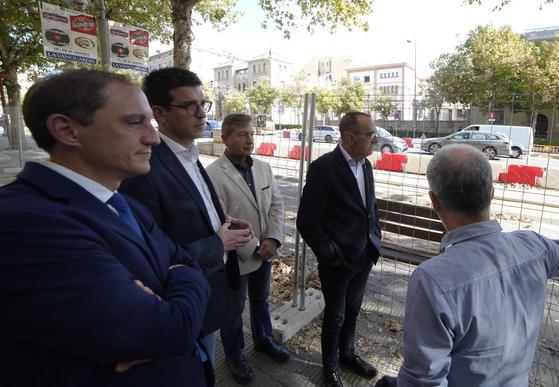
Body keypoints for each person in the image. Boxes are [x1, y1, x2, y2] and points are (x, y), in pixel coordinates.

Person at [0, 69, 211, 386]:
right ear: (67, 130)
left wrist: (178, 271)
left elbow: (187, 261)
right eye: (133, 122)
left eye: (150, 123)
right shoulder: (25, 221)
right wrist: (180, 276)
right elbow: (170, 331)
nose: (152, 137)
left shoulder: (123, 203)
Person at [387, 144, 559, 386]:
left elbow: (422, 380)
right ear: (491, 193)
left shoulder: (432, 280)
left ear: (435, 201)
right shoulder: (533, 247)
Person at [119, 68, 252, 372]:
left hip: (212, 293)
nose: (201, 112)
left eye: (203, 104)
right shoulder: (145, 169)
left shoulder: (189, 154)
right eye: (189, 105)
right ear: (160, 113)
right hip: (186, 304)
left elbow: (192, 211)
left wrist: (223, 220)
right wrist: (218, 242)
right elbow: (150, 256)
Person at [297, 111, 382, 387]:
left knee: (353, 310)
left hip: (363, 255)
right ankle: (329, 367)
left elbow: (370, 207)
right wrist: (329, 253)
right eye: (370, 135)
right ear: (350, 137)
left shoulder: (366, 165)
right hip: (337, 262)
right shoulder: (325, 168)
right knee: (335, 316)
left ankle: (348, 354)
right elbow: (307, 221)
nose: (375, 140)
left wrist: (375, 237)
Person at [206, 113, 289, 384]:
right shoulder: (213, 176)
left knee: (261, 301)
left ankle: (263, 340)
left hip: (265, 251)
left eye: (252, 134)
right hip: (237, 257)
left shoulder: (263, 168)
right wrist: (255, 247)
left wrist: (273, 239)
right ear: (224, 138)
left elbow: (276, 205)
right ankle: (234, 354)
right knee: (233, 309)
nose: (249, 140)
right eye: (242, 134)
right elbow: (221, 221)